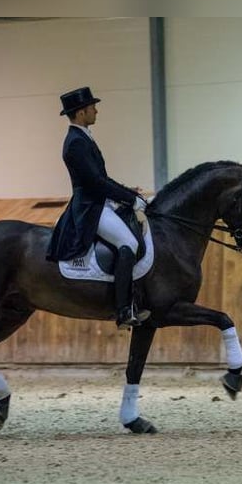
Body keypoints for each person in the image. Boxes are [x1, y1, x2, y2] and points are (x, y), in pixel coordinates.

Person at [46, 86, 150, 329]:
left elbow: (102, 177)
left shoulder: (83, 137)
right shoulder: (75, 143)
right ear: (81, 112)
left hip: (100, 201)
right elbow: (95, 182)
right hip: (90, 207)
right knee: (129, 244)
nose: (96, 110)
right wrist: (130, 199)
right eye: (93, 107)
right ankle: (123, 309)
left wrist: (128, 191)